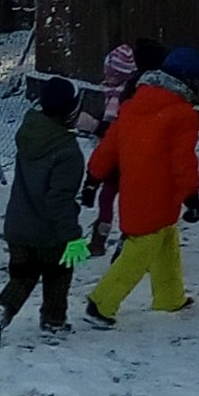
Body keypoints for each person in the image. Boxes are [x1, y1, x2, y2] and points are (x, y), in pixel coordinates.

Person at [84, 45, 199, 329]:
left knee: (165, 239)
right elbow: (183, 160)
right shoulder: (182, 114)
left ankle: (170, 297)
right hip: (160, 196)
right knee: (139, 251)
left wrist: (92, 179)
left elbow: (109, 147)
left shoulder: (133, 105)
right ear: (190, 81)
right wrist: (191, 196)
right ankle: (100, 304)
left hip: (134, 194)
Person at [0, 75, 90, 349]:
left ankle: (1, 308)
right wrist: (72, 236)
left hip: (17, 226)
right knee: (59, 273)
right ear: (71, 110)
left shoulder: (30, 133)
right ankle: (53, 321)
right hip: (49, 232)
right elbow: (58, 200)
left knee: (23, 276)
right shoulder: (67, 152)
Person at [83, 36, 167, 255]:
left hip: (118, 158)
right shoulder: (137, 91)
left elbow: (111, 132)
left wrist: (94, 126)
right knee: (123, 198)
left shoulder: (118, 97)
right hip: (132, 157)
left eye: (110, 73)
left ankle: (103, 236)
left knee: (110, 196)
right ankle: (122, 237)